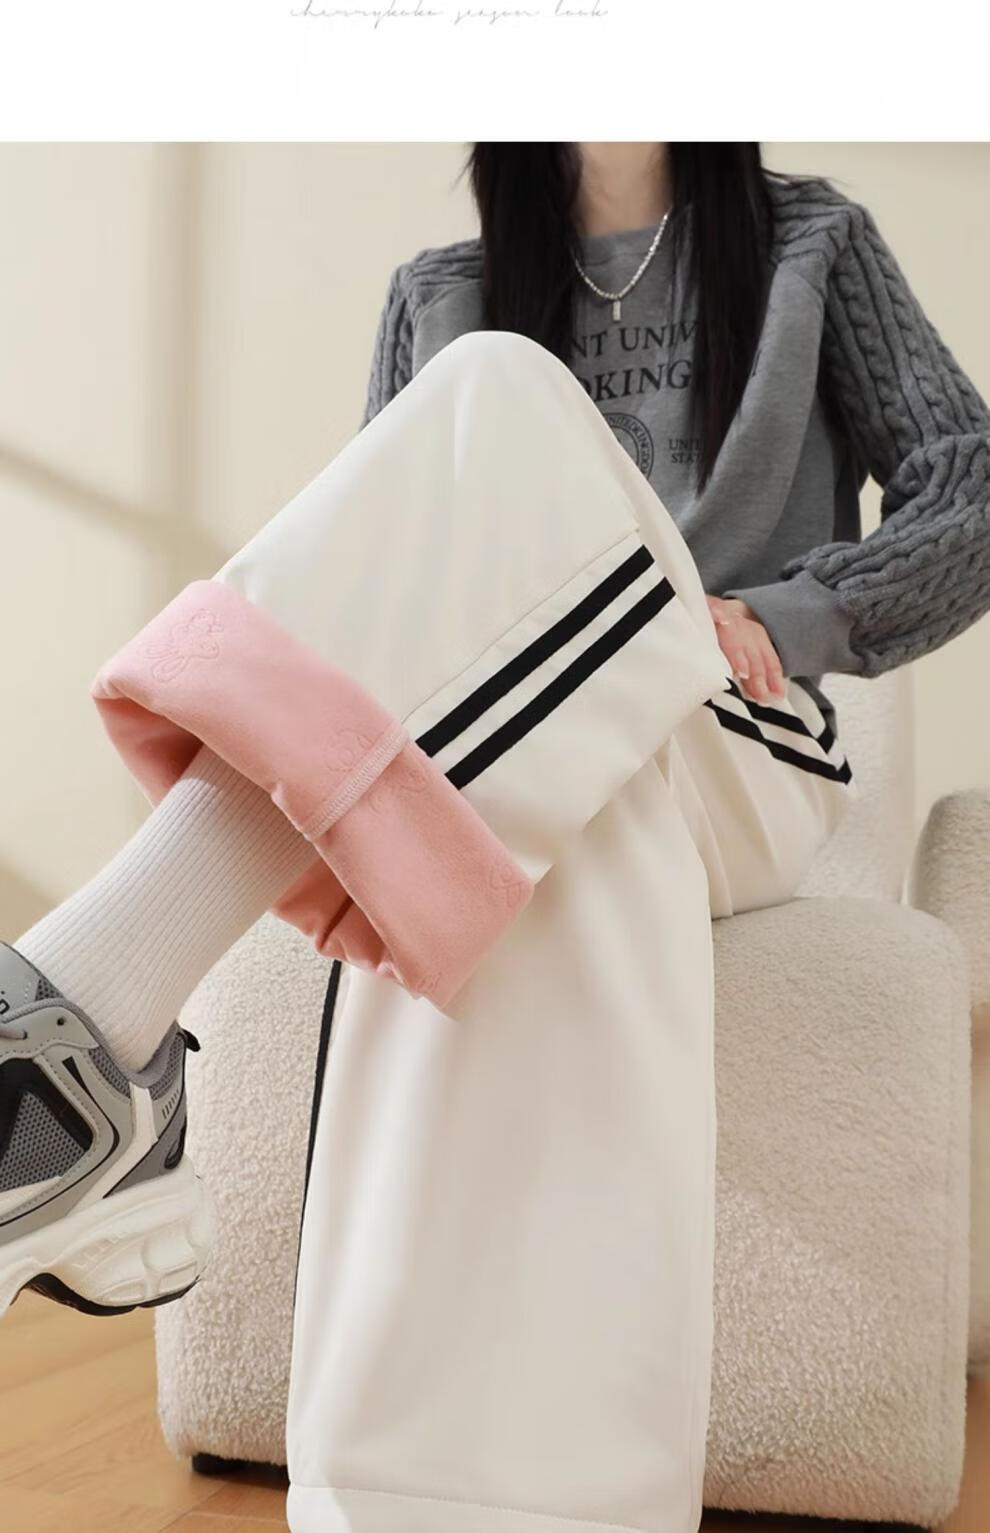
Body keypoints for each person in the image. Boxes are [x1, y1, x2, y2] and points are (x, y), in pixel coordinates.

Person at [0, 143, 987, 1533]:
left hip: (740, 734)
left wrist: (789, 613)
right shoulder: (441, 291)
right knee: (543, 766)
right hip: (549, 742)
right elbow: (381, 595)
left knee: (501, 398)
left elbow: (971, 487)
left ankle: (80, 1029)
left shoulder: (813, 251)